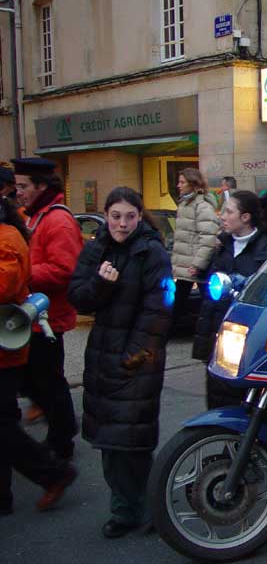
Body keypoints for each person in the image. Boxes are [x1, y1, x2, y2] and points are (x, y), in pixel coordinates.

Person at [67, 187, 172, 538]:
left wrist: (132, 358)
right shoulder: (96, 248)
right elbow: (79, 298)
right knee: (111, 443)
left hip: (136, 361)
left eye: (130, 216)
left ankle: (150, 509)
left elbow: (159, 310)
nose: (122, 224)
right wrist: (102, 285)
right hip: (102, 356)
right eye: (116, 216)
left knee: (133, 443)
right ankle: (127, 510)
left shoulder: (151, 252)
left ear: (140, 217)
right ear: (106, 216)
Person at [0, 195, 78, 516]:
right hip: (7, 345)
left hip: (6, 347)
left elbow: (5, 285)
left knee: (4, 424)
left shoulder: (8, 238)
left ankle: (53, 472)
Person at [12, 157, 82, 458]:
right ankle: (62, 431)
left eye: (23, 186)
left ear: (41, 186)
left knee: (47, 382)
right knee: (35, 381)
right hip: (33, 317)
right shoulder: (32, 216)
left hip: (48, 319)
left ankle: (62, 439)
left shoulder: (57, 220)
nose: (18, 192)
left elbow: (65, 270)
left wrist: (21, 272)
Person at [193, 191, 267, 409]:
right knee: (218, 405)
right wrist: (204, 346)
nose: (222, 216)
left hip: (250, 342)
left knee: (247, 408)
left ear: (245, 217)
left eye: (228, 211)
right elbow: (209, 300)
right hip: (220, 340)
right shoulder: (222, 247)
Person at [171, 168, 220, 325]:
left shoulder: (202, 207)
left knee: (206, 303)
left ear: (193, 184)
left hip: (193, 266)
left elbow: (208, 237)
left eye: (182, 182)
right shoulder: (185, 204)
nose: (178, 185)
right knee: (179, 302)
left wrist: (198, 264)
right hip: (186, 265)